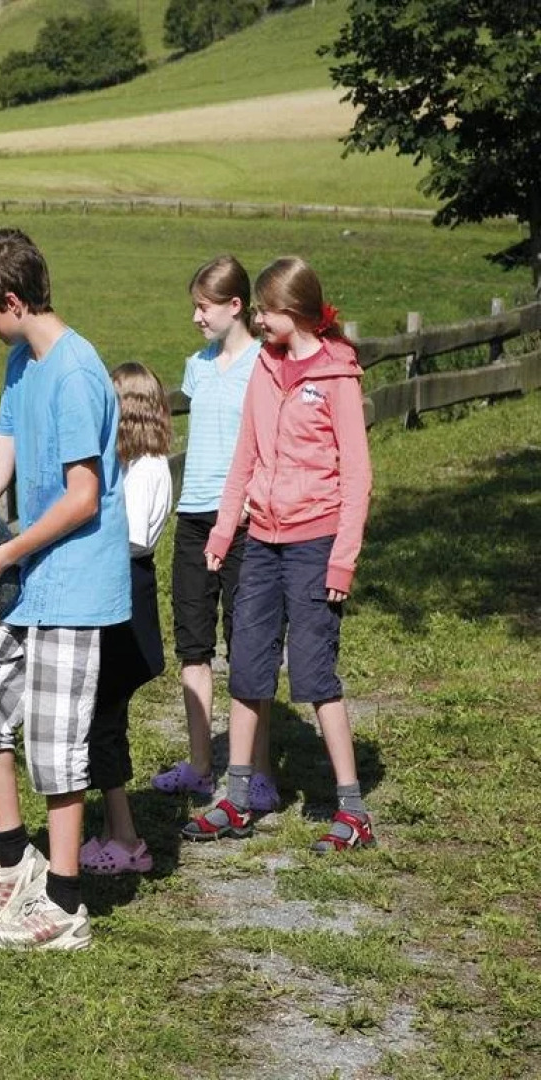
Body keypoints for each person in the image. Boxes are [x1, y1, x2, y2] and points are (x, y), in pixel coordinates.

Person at [0, 227, 131, 950]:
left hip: (76, 581)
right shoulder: (23, 365)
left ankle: (63, 904)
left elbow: (83, 497)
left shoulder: (79, 373)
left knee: (55, 744)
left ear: (13, 301)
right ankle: (10, 857)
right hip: (33, 575)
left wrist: (2, 555)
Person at [182, 256, 375, 852]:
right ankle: (236, 800)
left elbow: (358, 478)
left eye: (265, 310)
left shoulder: (338, 377)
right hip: (260, 539)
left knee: (316, 675)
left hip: (315, 543)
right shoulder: (266, 368)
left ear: (292, 312)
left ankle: (352, 809)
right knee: (246, 668)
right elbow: (246, 457)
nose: (259, 319)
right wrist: (221, 531)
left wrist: (342, 558)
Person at [151, 255, 279, 815]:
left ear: (234, 306)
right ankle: (202, 767)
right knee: (194, 646)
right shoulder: (197, 367)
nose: (196, 317)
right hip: (194, 518)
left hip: (247, 523)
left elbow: (274, 443)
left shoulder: (264, 366)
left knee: (249, 649)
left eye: (203, 307)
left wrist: (254, 499)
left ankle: (259, 773)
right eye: (193, 307)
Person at [80, 363, 171, 875]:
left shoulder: (150, 470)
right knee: (104, 722)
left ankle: (128, 840)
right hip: (122, 597)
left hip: (127, 601)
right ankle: (119, 833)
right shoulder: (134, 466)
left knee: (106, 723)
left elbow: (134, 537)